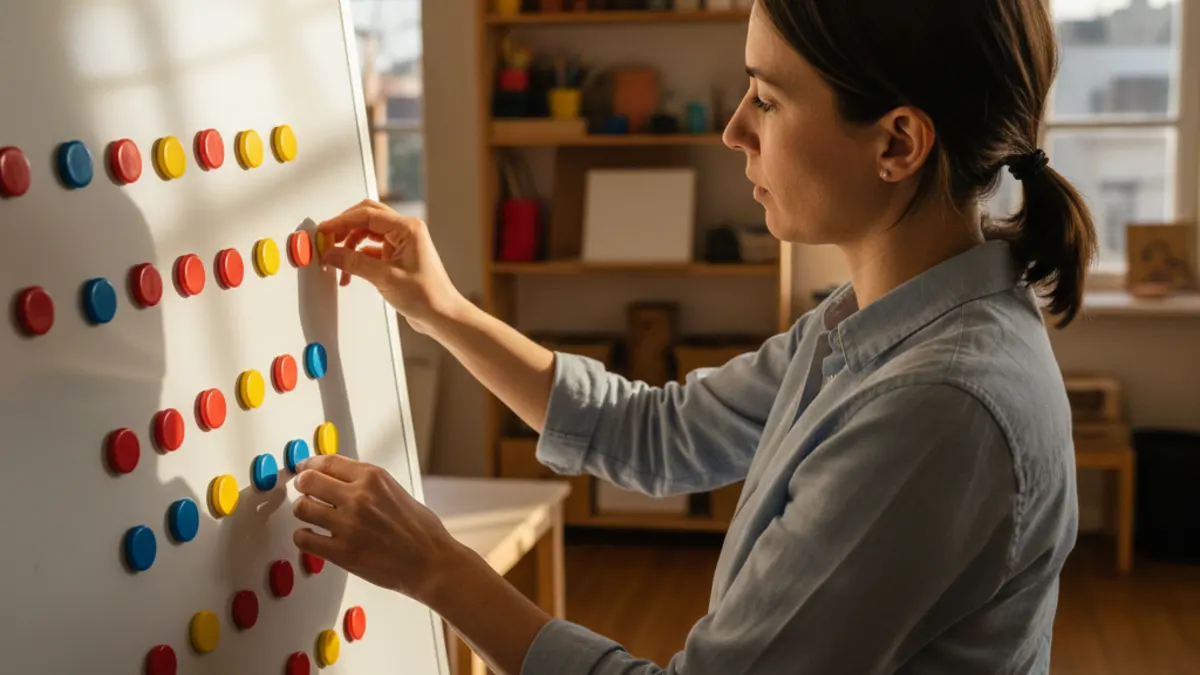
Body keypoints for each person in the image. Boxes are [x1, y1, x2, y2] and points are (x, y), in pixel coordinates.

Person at [290, 0, 1093, 672]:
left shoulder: (940, 407)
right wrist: (444, 310)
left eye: (768, 99)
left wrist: (436, 567)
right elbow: (655, 432)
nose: (735, 129)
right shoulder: (873, 317)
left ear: (897, 144)